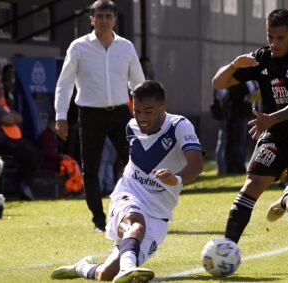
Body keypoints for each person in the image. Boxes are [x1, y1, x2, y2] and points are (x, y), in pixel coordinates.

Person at [50, 80, 203, 282]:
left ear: (163, 108)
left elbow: (197, 164)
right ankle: (128, 267)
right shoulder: (131, 127)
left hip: (159, 214)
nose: (141, 118)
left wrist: (176, 178)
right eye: (137, 111)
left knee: (106, 274)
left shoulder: (179, 126)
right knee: (136, 224)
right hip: (129, 193)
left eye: (148, 111)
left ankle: (82, 267)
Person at [212, 9, 288, 244]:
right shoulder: (262, 58)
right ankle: (227, 247)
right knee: (253, 184)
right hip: (278, 136)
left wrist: (270, 118)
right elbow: (219, 83)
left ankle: (285, 197)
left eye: (280, 38)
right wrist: (233, 65)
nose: (274, 43)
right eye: (269, 37)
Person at [54, 0, 145, 232]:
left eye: (108, 16)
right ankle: (99, 221)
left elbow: (139, 84)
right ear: (91, 20)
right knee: (90, 169)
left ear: (115, 19)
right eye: (99, 16)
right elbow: (64, 85)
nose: (104, 20)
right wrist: (61, 116)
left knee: (134, 165)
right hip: (89, 115)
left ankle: (135, 212)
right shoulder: (78, 47)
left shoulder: (126, 47)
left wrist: (147, 115)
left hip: (120, 113)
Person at [0, 79, 40, 200]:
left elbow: (19, 117)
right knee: (31, 154)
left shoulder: (4, 105)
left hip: (12, 141)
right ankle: (18, 182)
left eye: (1, 89)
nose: (0, 92)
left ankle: (21, 182)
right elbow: (8, 120)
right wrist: (12, 117)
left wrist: (12, 117)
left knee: (37, 154)